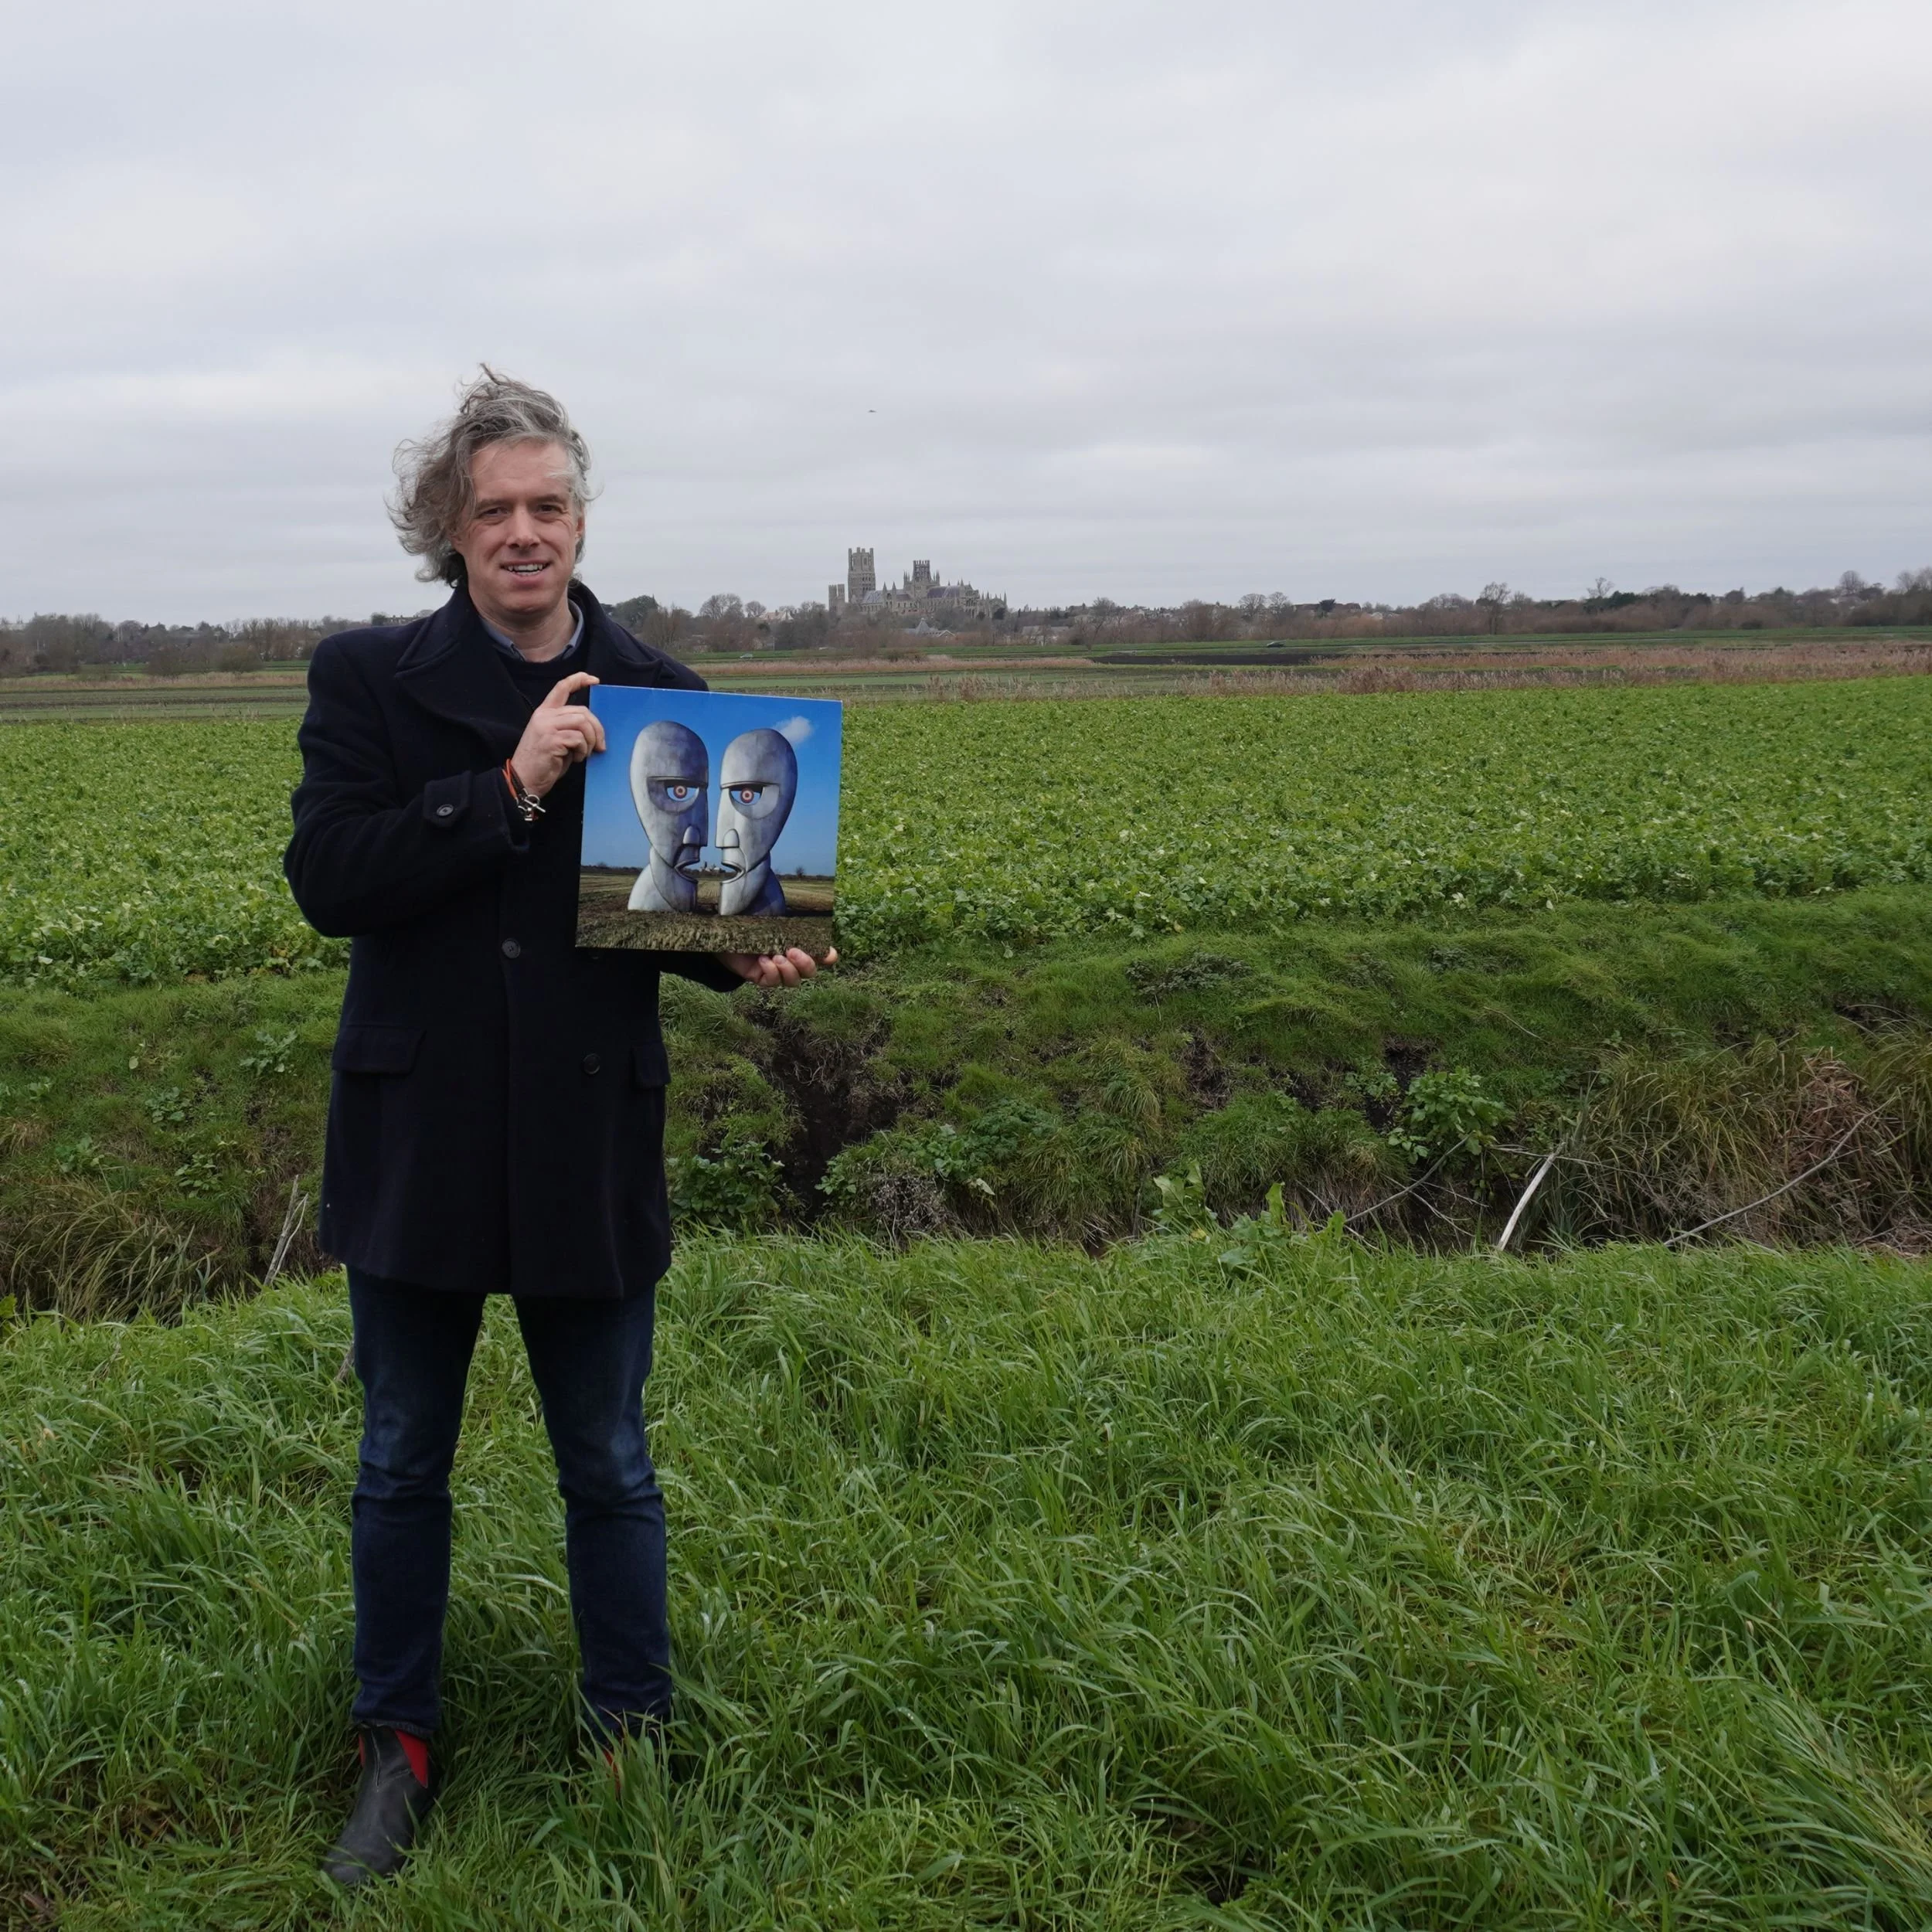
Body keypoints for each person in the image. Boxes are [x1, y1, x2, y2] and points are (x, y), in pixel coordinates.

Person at [283, 369, 829, 1890]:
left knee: (608, 1454)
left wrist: (741, 951)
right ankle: (395, 1746)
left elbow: (682, 911)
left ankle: (628, 1734)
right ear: (449, 534)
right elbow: (330, 875)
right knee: (401, 1456)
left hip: (587, 1131)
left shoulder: (665, 690)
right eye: (493, 510)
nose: (524, 532)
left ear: (579, 518)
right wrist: (503, 785)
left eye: (548, 505)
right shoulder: (369, 679)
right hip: (419, 1128)